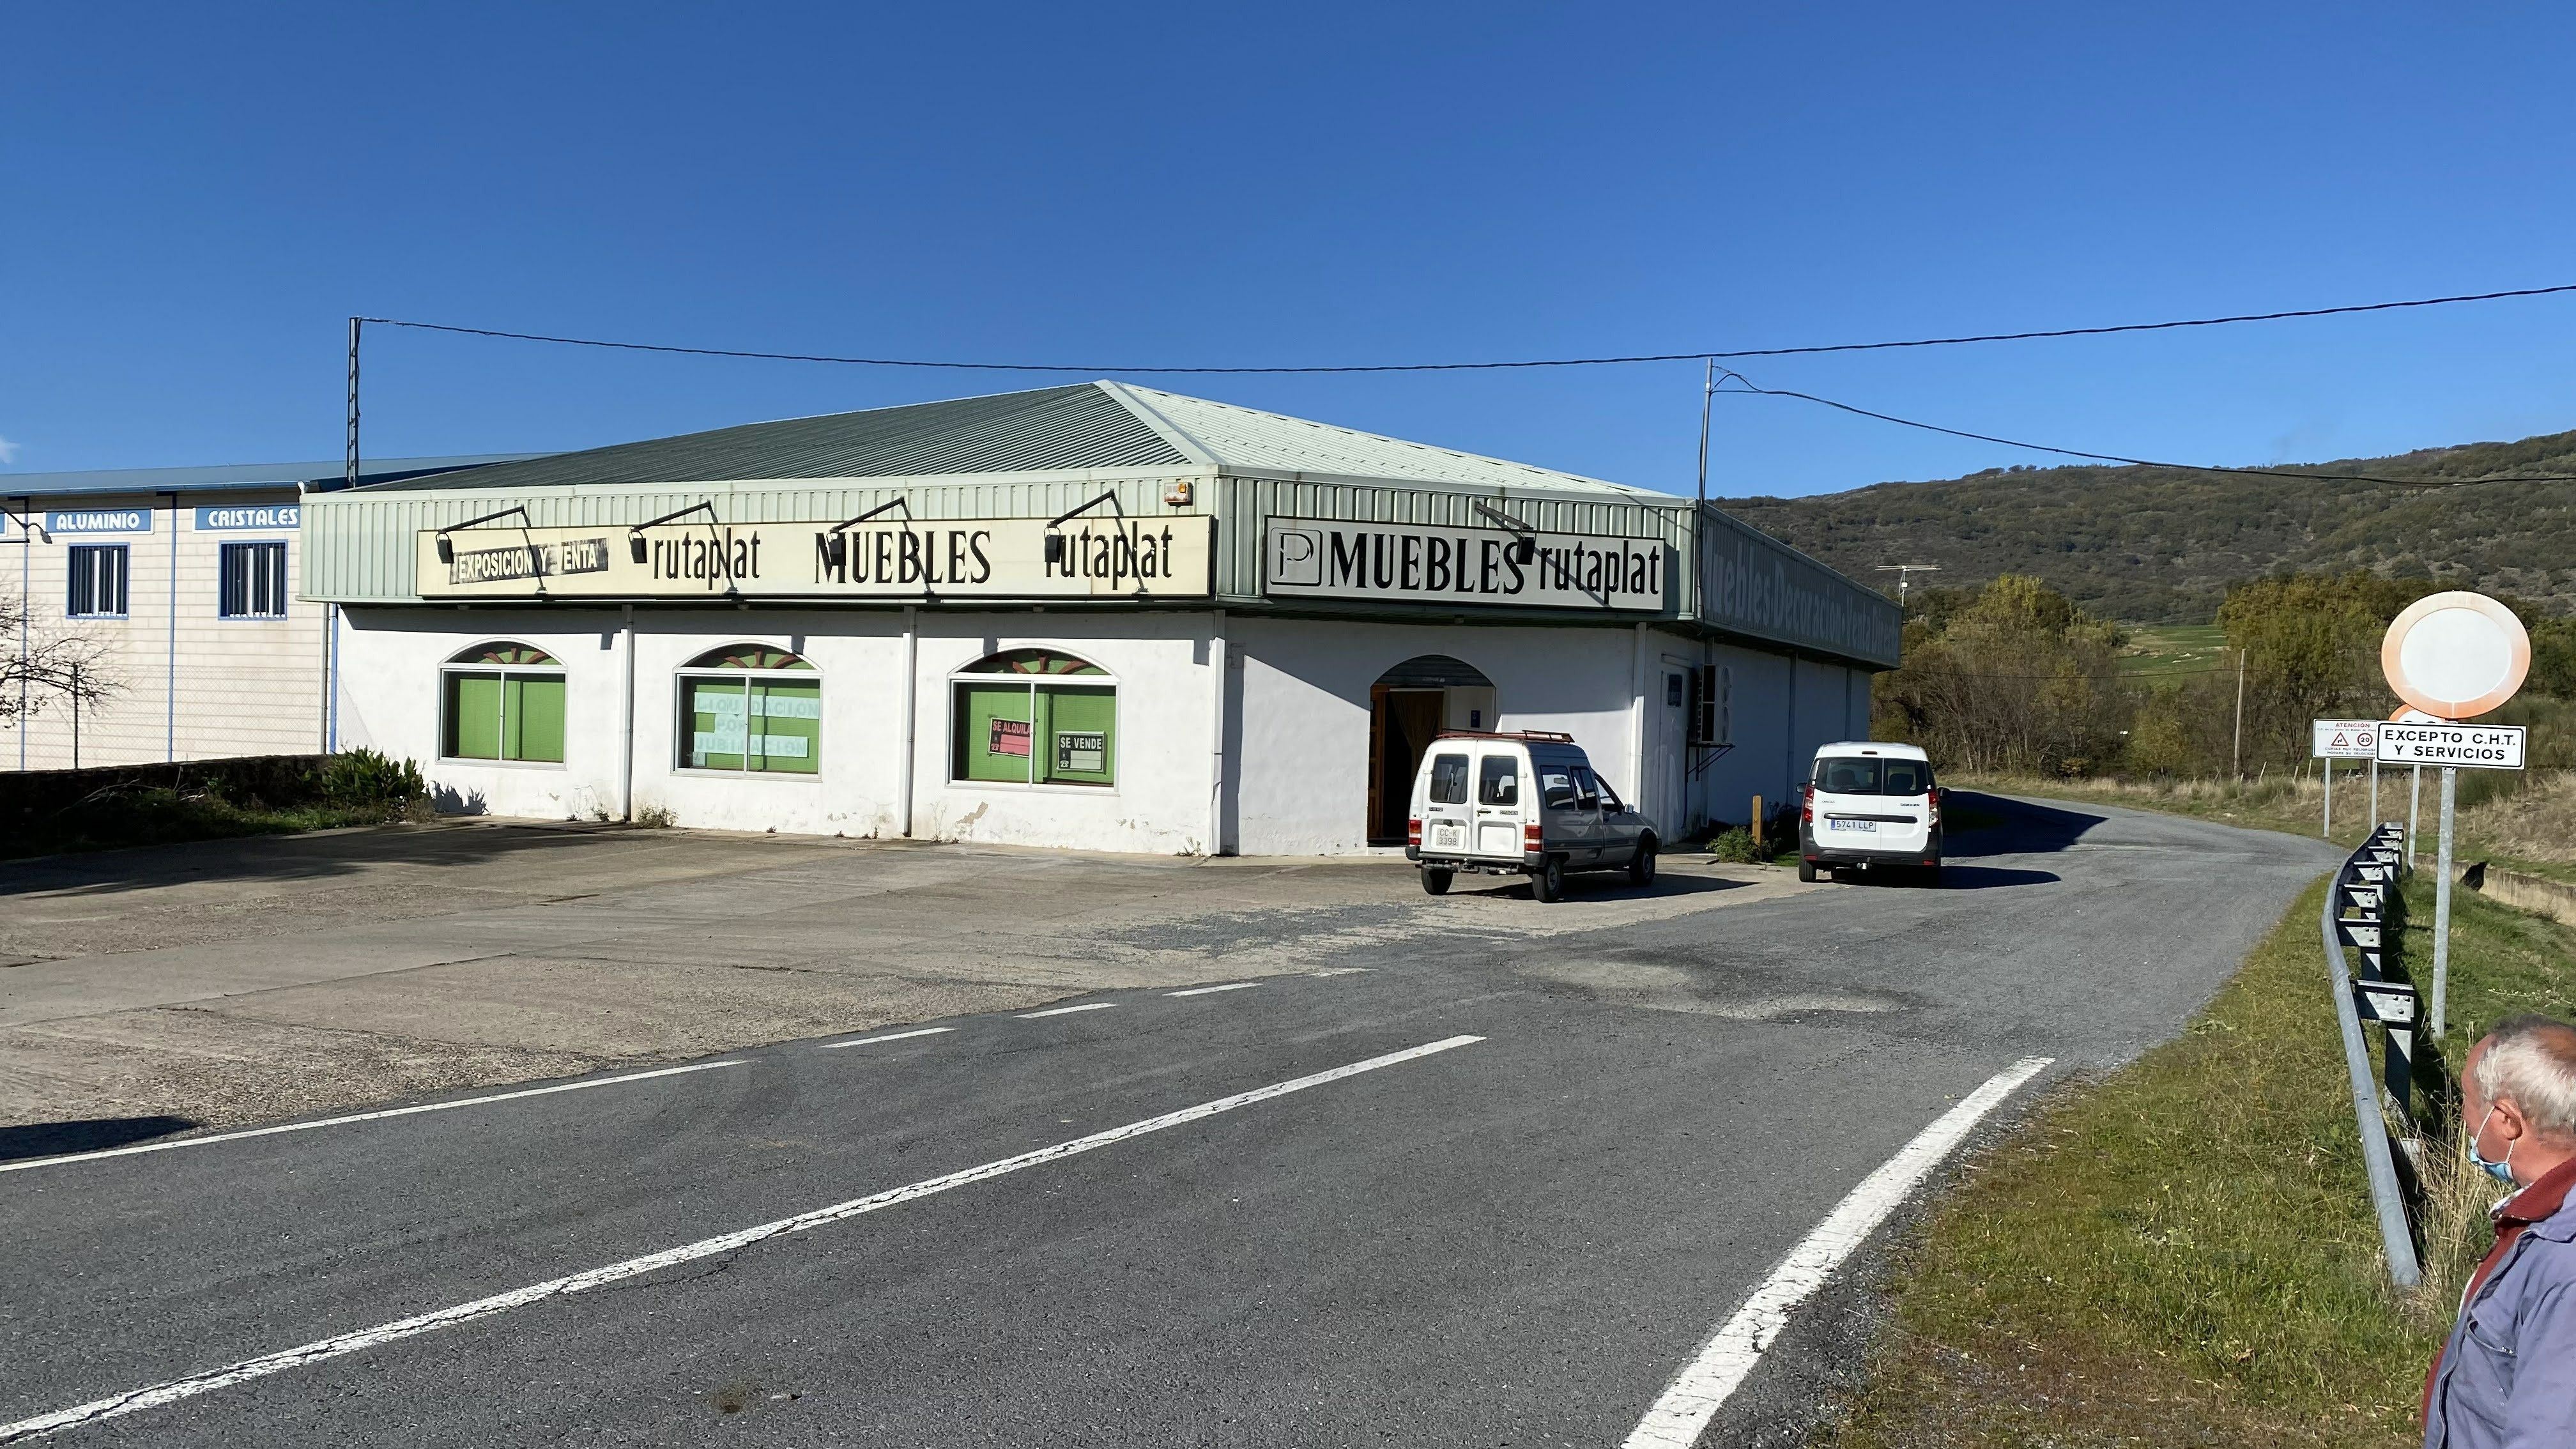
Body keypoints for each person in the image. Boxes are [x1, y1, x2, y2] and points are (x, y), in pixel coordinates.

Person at [2424, 1015, 2576, 1448]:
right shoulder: (2541, 1216)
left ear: (2507, 1120)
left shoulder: (2565, 1261)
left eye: (2469, 1100)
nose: (2463, 1116)